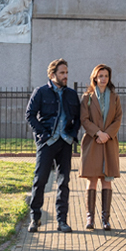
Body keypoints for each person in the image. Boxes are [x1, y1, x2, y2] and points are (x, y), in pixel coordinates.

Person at [25, 58, 81, 233]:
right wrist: (42, 133)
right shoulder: (40, 92)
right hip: (47, 142)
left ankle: (62, 221)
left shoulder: (71, 94)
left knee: (64, 182)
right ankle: (35, 218)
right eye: (62, 73)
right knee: (40, 179)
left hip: (65, 143)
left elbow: (78, 118)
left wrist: (72, 135)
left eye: (66, 73)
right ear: (52, 74)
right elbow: (30, 115)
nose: (65, 76)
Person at [79, 64, 123, 230]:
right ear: (95, 78)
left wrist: (107, 135)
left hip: (109, 143)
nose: (103, 78)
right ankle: (90, 219)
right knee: (92, 181)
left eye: (106, 75)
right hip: (93, 143)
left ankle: (106, 219)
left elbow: (118, 119)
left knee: (107, 180)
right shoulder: (87, 97)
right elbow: (84, 119)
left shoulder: (115, 97)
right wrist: (98, 133)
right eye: (100, 75)